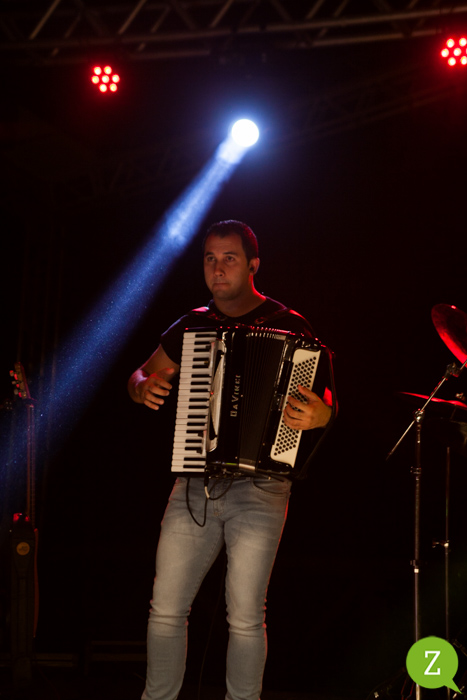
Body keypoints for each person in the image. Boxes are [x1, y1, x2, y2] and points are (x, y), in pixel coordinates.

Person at [128, 220, 333, 700]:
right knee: (165, 609)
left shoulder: (291, 326)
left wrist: (322, 415)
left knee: (244, 616)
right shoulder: (192, 325)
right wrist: (142, 388)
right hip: (194, 482)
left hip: (263, 486)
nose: (217, 269)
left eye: (229, 259)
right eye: (210, 259)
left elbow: (325, 401)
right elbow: (139, 374)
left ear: (253, 265)